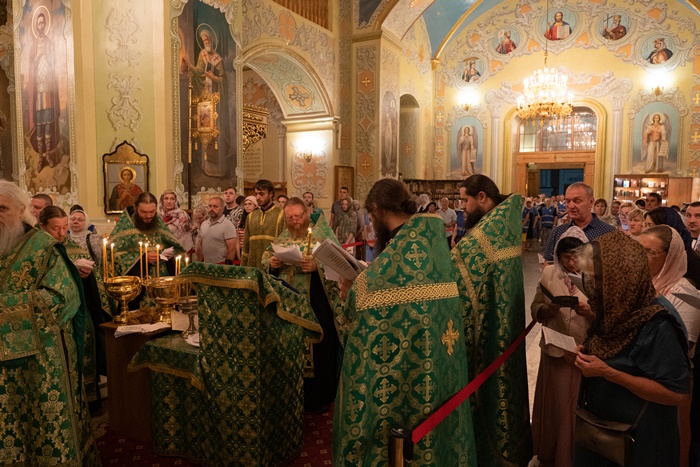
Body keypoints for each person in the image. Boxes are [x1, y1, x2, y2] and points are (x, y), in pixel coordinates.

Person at [334, 179, 476, 466]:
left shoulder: (400, 250)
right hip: (439, 361)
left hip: (406, 368)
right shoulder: (430, 240)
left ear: (376, 209)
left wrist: (349, 290)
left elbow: (353, 317)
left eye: (371, 216)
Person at [0, 180, 99, 465]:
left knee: (41, 426)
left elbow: (63, 298)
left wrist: (7, 311)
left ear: (21, 210)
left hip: (41, 361)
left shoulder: (43, 247)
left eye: (2, 208)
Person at [572, 232, 691, 466]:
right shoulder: (618, 307)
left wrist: (609, 372)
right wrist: (587, 352)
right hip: (602, 430)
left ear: (623, 278)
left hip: (639, 439)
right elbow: (611, 348)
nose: (594, 288)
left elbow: (677, 393)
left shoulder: (658, 324)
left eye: (599, 280)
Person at [451, 174, 533, 466]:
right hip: (500, 318)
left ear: (482, 197)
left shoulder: (488, 230)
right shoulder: (501, 221)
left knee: (489, 383)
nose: (462, 207)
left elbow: (457, 270)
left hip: (493, 327)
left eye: (465, 200)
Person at [262, 197, 342, 413]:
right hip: (289, 303)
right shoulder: (283, 237)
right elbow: (265, 259)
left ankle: (320, 396)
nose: (295, 221)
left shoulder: (323, 235)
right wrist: (272, 263)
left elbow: (339, 262)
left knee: (321, 344)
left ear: (307, 214)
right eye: (290, 218)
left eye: (298, 216)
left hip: (317, 301)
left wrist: (317, 267)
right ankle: (295, 395)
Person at [531, 228, 592, 467]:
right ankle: (550, 450)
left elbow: (605, 315)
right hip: (554, 349)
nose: (571, 262)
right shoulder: (549, 274)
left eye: (576, 257)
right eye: (566, 257)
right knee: (554, 402)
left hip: (581, 350)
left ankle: (571, 456)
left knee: (573, 404)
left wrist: (589, 313)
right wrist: (548, 309)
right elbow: (536, 306)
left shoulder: (594, 277)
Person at [40, 206, 111, 411]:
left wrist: (86, 276)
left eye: (65, 227)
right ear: (42, 227)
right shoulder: (37, 252)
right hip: (54, 319)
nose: (62, 233)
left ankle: (89, 402)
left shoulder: (73, 247)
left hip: (80, 313)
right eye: (56, 229)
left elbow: (93, 285)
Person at [109, 192, 185, 308]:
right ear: (135, 208)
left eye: (152, 212)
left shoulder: (158, 223)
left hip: (161, 284)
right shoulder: (126, 226)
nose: (148, 216)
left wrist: (166, 255)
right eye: (144, 212)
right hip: (138, 286)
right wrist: (142, 258)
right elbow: (113, 255)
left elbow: (177, 248)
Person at [543, 182, 617, 262]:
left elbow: (616, 264)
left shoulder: (609, 233)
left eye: (577, 201)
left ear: (591, 202)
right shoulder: (558, 232)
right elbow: (548, 262)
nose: (571, 206)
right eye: (568, 201)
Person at [29, 10, 61, 172]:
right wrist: (37, 57)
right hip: (38, 92)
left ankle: (48, 155)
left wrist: (47, 56)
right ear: (36, 25)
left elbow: (54, 63)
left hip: (47, 89)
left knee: (48, 124)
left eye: (43, 23)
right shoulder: (34, 45)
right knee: (39, 126)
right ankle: (41, 157)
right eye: (39, 23)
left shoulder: (49, 43)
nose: (41, 26)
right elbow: (31, 66)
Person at [241, 179, 284, 269]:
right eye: (256, 194)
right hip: (252, 268)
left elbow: (283, 244)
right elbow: (246, 246)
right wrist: (243, 269)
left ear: (271, 194)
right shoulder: (251, 216)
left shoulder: (281, 215)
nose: (258, 197)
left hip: (272, 268)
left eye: (261, 194)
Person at [197, 196, 238, 264]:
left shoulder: (228, 225)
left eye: (215, 206)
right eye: (210, 206)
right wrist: (199, 264)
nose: (211, 209)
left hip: (220, 265)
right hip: (206, 265)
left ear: (222, 209)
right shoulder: (204, 224)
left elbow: (231, 249)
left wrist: (226, 267)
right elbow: (201, 245)